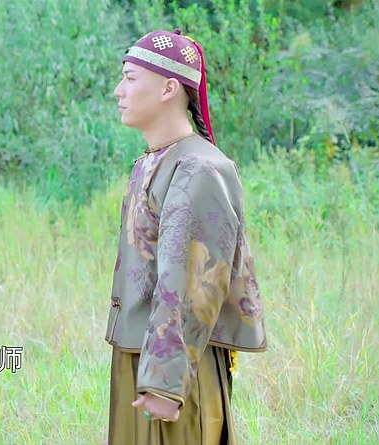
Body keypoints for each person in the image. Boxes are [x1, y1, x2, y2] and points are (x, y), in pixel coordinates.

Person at [105, 30, 267, 444]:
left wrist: (165, 382)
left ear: (168, 88)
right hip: (142, 356)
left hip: (177, 370)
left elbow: (192, 284)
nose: (118, 91)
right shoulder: (155, 161)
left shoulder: (199, 168)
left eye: (130, 78)